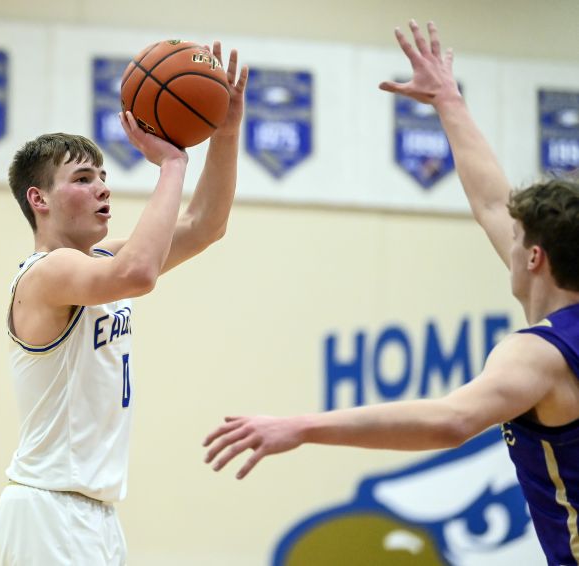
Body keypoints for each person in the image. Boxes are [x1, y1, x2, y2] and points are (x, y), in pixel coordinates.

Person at [203, 21, 579, 566]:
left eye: (516, 239)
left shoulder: (538, 355)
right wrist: (449, 102)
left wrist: (302, 427)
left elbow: (449, 421)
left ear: (535, 258)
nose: (506, 236)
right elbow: (496, 205)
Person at [0, 42, 248, 566]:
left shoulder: (95, 262)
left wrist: (224, 132)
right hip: (49, 509)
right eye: (83, 180)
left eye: (104, 177)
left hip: (96, 515)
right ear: (38, 200)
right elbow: (138, 274)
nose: (103, 190)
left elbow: (205, 227)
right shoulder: (48, 272)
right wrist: (172, 164)